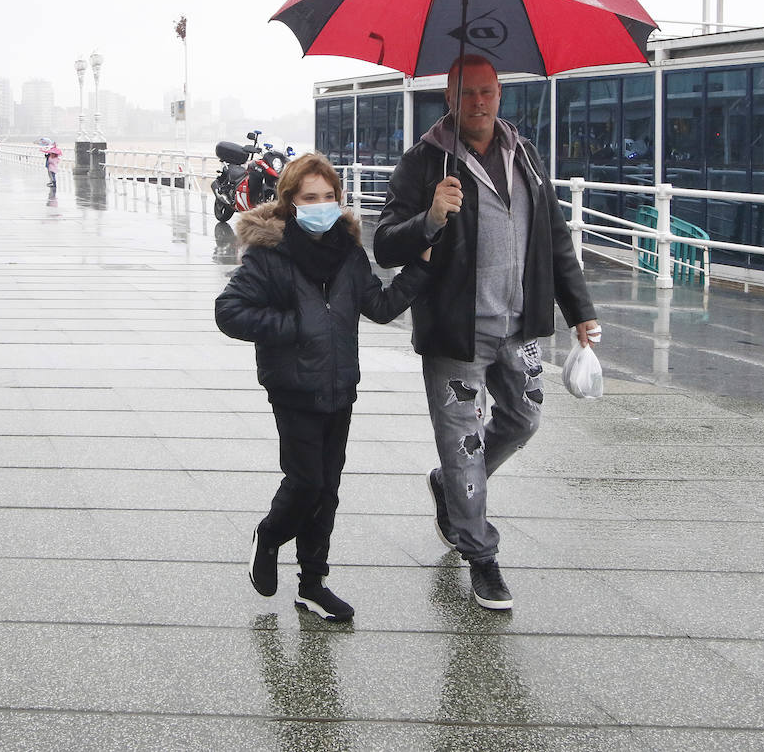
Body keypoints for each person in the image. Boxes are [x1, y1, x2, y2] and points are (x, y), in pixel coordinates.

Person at [374, 54, 601, 612]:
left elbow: (553, 236)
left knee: (524, 419)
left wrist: (579, 310)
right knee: (465, 443)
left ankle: (450, 484)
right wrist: (429, 219)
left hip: (517, 325)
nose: (478, 103)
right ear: (448, 101)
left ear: (500, 95)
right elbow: (384, 244)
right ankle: (481, 555)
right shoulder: (424, 162)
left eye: (487, 92)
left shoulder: (523, 154)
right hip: (456, 334)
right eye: (466, 94)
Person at [215, 153, 431, 622]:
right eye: (310, 197)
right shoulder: (270, 255)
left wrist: (421, 269)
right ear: (291, 202)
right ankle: (269, 536)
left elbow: (379, 305)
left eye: (329, 196)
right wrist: (295, 324)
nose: (321, 205)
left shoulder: (349, 253)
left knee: (328, 489)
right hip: (293, 387)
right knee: (306, 483)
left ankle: (313, 584)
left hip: (340, 385)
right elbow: (228, 312)